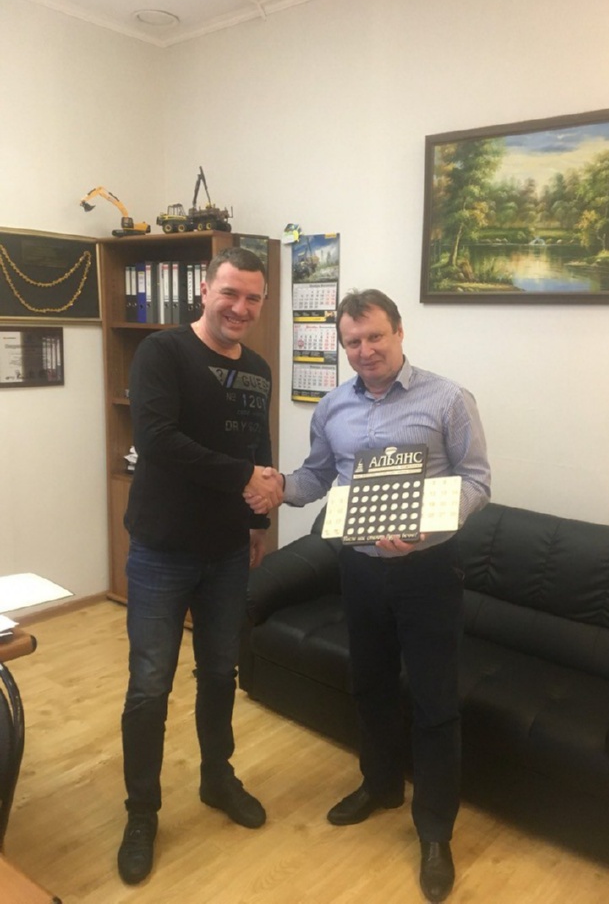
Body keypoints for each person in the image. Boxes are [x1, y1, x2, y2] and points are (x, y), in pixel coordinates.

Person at [245, 289, 490, 903]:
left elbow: (476, 479)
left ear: (399, 332)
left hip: (428, 571)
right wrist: (277, 487)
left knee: (434, 702)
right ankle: (380, 787)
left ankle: (434, 831)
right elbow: (318, 476)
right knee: (371, 684)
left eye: (375, 336)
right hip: (358, 568)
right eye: (352, 341)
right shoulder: (332, 407)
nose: (365, 350)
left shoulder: (448, 398)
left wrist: (427, 525)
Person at [117, 247, 283, 885]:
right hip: (162, 548)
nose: (240, 307)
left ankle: (217, 778)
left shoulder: (259, 369)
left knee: (219, 671)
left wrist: (258, 521)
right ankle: (142, 811)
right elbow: (156, 439)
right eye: (230, 293)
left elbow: (258, 446)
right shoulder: (162, 352)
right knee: (149, 685)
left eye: (252, 298)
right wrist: (244, 476)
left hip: (227, 550)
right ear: (206, 291)